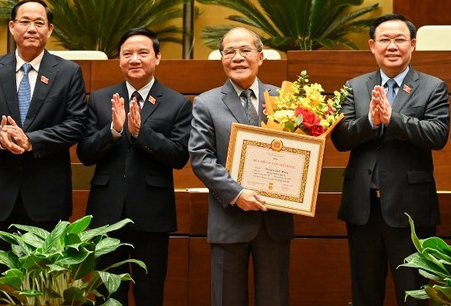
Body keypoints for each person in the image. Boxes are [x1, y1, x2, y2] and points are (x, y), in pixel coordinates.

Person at [331, 13, 450, 306]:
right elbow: (340, 138)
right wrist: (370, 121)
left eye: (399, 40)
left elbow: (437, 135)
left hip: (411, 208)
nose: (392, 46)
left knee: (414, 294)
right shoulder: (354, 86)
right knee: (364, 292)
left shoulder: (432, 86)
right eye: (385, 40)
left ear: (412, 45)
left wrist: (392, 119)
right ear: (372, 46)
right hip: (363, 207)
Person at [0, 0, 87, 257]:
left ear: (49, 30)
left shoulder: (68, 72)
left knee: (45, 280)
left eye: (39, 23)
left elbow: (77, 124)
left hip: (48, 193)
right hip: (1, 194)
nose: (32, 28)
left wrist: (32, 140)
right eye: (25, 22)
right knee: (4, 280)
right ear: (12, 26)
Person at [77, 28, 191, 305]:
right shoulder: (101, 99)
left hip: (152, 212)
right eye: (127, 54)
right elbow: (85, 153)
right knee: (106, 293)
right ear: (119, 61)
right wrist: (113, 132)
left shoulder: (177, 103)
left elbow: (178, 156)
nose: (134, 59)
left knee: (149, 291)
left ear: (158, 57)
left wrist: (142, 134)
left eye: (142, 53)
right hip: (106, 212)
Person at [189, 27, 293, 306]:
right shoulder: (206, 103)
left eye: (245, 50)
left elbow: (299, 153)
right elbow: (201, 157)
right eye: (229, 52)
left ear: (260, 57)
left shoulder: (284, 99)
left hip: (274, 218)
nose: (237, 57)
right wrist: (237, 193)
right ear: (222, 59)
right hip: (229, 220)